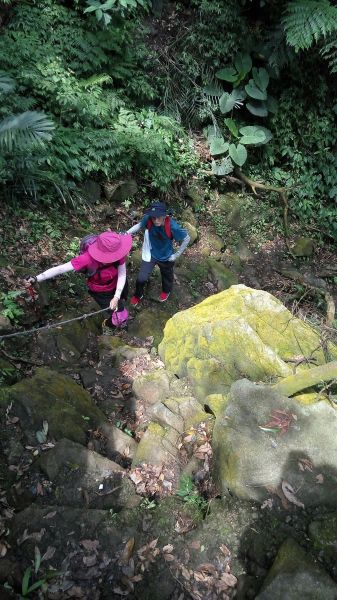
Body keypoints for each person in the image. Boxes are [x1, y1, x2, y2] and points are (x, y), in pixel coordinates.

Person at [24, 231, 133, 329]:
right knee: (121, 314)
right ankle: (108, 326)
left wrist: (117, 296)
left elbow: (122, 273)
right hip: (101, 291)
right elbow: (61, 268)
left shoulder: (117, 253)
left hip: (116, 283)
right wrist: (37, 278)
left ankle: (117, 313)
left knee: (121, 301)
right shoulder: (87, 259)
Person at [127, 201, 190, 305]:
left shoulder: (172, 226)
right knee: (141, 278)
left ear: (165, 215)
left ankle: (166, 291)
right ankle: (138, 294)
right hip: (151, 254)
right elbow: (139, 225)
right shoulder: (148, 218)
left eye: (158, 217)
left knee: (167, 277)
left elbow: (187, 238)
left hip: (166, 257)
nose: (156, 220)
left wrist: (176, 255)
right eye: (153, 217)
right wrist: (126, 233)